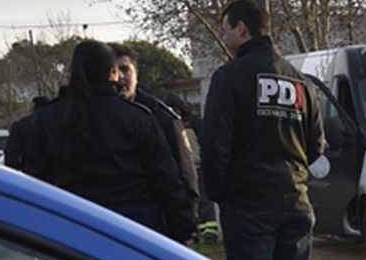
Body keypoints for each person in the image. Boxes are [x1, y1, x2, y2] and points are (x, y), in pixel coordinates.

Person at [200, 0, 326, 260]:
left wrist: (218, 195)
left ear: (241, 29)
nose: (225, 38)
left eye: (226, 30)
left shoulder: (229, 77)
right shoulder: (302, 83)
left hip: (248, 205)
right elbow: (315, 146)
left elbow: (215, 146)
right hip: (295, 200)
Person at [26, 39, 194, 243]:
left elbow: (37, 176)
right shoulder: (137, 118)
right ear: (111, 73)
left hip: (75, 225)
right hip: (136, 226)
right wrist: (182, 228)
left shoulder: (49, 119)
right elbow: (165, 178)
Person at [110, 43, 201, 225]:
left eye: (126, 70)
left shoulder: (160, 116)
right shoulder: (96, 117)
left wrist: (185, 223)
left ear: (137, 74)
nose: (121, 77)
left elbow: (185, 172)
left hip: (154, 218)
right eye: (115, 71)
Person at [164, 91, 220, 244]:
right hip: (183, 170)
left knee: (204, 201)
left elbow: (205, 142)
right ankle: (193, 231)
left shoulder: (193, 122)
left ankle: (209, 232)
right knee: (188, 203)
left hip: (199, 166)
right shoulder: (169, 123)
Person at [4, 96, 52, 171]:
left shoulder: (21, 124)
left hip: (30, 171)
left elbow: (11, 153)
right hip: (53, 173)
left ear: (34, 107)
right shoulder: (55, 123)